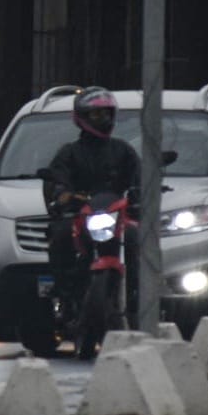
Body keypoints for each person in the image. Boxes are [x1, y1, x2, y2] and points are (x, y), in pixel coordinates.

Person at [42, 87, 141, 353]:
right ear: (82, 117)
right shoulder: (69, 153)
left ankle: (138, 300)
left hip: (116, 217)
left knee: (136, 238)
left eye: (106, 113)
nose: (102, 119)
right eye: (95, 114)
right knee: (60, 235)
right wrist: (62, 194)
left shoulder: (124, 151)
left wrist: (142, 194)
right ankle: (65, 293)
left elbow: (139, 179)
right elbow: (55, 179)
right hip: (81, 216)